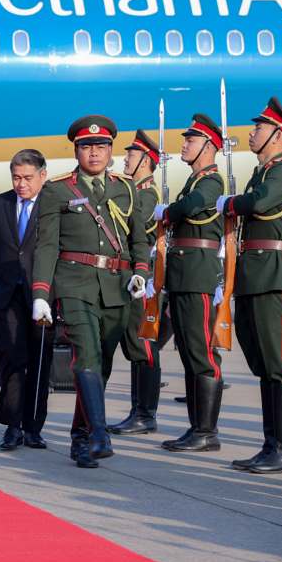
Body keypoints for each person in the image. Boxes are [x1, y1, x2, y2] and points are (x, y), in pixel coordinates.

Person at [32, 115, 150, 469]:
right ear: (77, 151)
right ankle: (99, 434)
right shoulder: (57, 190)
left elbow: (138, 238)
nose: (94, 153)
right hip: (75, 284)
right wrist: (41, 293)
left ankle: (81, 435)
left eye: (101, 147)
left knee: (102, 366)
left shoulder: (125, 188)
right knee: (86, 356)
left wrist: (141, 272)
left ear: (110, 150)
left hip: (117, 288)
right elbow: (47, 246)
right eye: (87, 147)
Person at [221, 97, 282, 474]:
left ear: (278, 135)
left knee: (278, 361)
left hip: (274, 275)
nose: (251, 134)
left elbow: (260, 204)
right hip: (253, 274)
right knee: (261, 360)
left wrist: (232, 201)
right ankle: (271, 444)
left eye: (259, 129)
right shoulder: (261, 173)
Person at [151, 114, 225, 452]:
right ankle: (196, 427)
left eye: (191, 140)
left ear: (209, 146)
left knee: (201, 353)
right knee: (189, 354)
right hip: (182, 273)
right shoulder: (193, 181)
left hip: (197, 274)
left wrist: (169, 211)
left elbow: (191, 207)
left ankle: (206, 432)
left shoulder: (210, 182)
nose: (184, 145)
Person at [0, 150, 52, 450]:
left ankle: (34, 426)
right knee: (13, 358)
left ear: (42, 175)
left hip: (42, 294)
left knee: (39, 361)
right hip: (6, 293)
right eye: (16, 178)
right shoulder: (0, 204)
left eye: (27, 178)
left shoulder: (54, 204)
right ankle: (13, 426)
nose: (21, 184)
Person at [109, 129, 174, 435]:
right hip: (129, 279)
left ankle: (145, 413)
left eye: (131, 155)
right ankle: (138, 410)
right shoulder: (134, 192)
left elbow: (130, 228)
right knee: (134, 345)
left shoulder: (145, 195)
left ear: (146, 161)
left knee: (143, 345)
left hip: (142, 280)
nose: (125, 159)